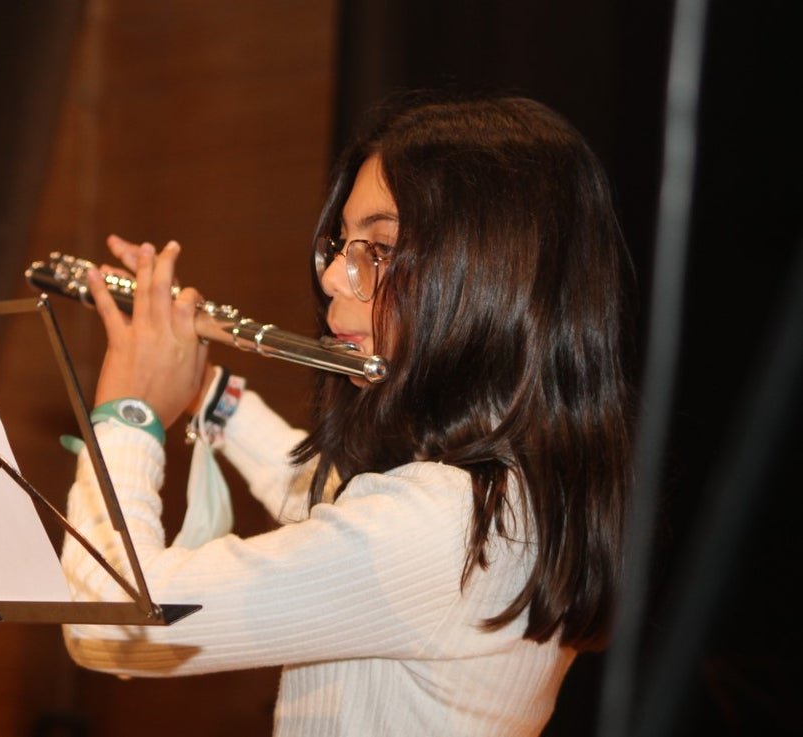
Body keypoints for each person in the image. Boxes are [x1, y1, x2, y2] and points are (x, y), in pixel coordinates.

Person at [60, 90, 636, 737]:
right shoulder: (506, 496)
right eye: (342, 244)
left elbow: (112, 616)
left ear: (489, 278)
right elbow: (321, 503)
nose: (336, 274)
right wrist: (209, 394)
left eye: (380, 249)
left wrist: (128, 413)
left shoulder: (440, 521)